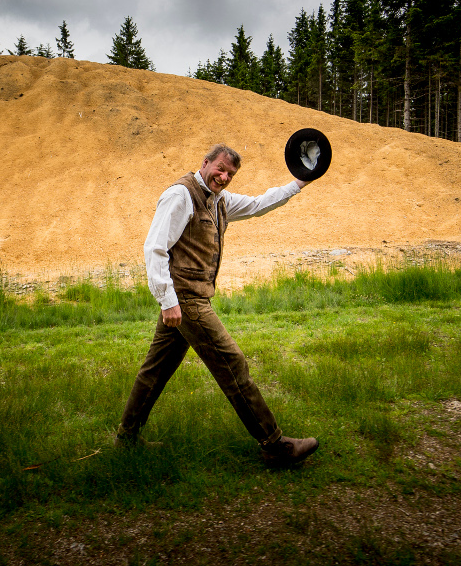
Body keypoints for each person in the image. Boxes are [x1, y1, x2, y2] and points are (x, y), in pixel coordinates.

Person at [116, 143, 319, 466]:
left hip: (188, 299)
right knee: (232, 362)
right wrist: (168, 302)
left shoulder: (220, 201)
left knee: (155, 371)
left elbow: (258, 204)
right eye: (220, 169)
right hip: (186, 300)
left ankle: (126, 439)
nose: (223, 177)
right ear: (206, 162)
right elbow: (154, 248)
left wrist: (298, 183)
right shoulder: (180, 196)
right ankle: (274, 444)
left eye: (230, 174)